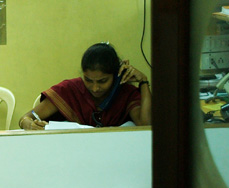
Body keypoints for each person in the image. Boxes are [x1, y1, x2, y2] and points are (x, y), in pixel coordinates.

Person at [19, 43, 151, 130]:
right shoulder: (70, 89)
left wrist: (143, 82)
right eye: (88, 80)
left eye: (102, 81)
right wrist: (28, 123)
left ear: (116, 75)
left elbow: (146, 126)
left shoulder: (125, 93)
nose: (95, 88)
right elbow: (27, 117)